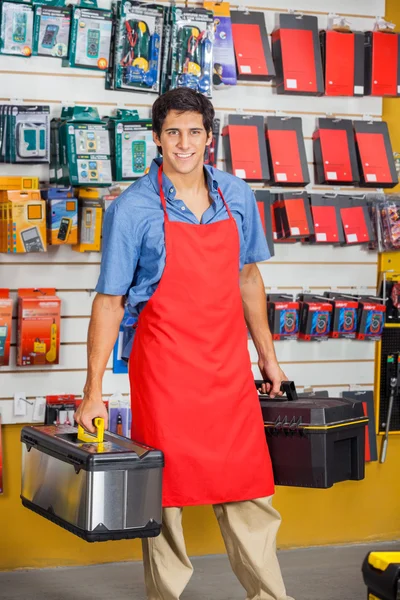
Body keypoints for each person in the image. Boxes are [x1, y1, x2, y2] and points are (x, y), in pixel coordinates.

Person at [75, 87, 294, 600]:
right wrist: (91, 390)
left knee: (250, 492)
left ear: (209, 137)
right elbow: (109, 302)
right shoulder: (131, 208)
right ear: (156, 138)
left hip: (228, 371)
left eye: (194, 132)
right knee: (165, 499)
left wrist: (267, 356)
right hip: (164, 373)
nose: (183, 143)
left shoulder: (236, 196)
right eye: (173, 132)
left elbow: (247, 277)